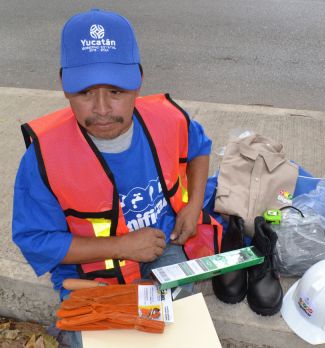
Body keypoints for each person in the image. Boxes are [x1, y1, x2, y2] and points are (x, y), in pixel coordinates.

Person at [13, 8, 221, 311]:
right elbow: (36, 239)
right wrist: (122, 246)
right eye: (85, 92)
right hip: (88, 268)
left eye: (115, 90)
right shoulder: (43, 157)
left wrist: (192, 204)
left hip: (160, 244)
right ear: (64, 84)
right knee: (96, 335)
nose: (102, 108)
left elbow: (199, 148)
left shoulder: (168, 119)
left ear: (138, 79)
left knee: (179, 311)